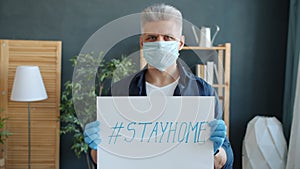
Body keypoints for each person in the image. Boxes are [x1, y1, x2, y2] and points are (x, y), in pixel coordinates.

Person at [84, 3, 234, 169]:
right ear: (142, 42)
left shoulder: (203, 92)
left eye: (168, 37)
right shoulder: (119, 92)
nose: (160, 44)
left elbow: (224, 163)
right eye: (152, 38)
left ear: (181, 43)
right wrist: (95, 147)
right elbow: (100, 160)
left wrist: (214, 150)